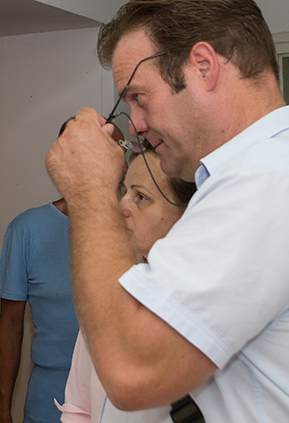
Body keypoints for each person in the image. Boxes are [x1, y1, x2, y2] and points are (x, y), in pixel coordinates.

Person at [45, 0, 289, 421]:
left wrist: (88, 191)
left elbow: (131, 371)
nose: (137, 124)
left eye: (139, 97)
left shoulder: (269, 179)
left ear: (203, 65)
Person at [55, 145, 197, 423]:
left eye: (141, 197)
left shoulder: (207, 305)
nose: (122, 206)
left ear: (187, 214)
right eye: (126, 192)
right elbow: (78, 407)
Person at [0, 120, 103, 423]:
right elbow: (10, 325)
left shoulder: (137, 226)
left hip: (119, 400)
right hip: (49, 401)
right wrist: (0, 408)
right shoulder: (27, 230)